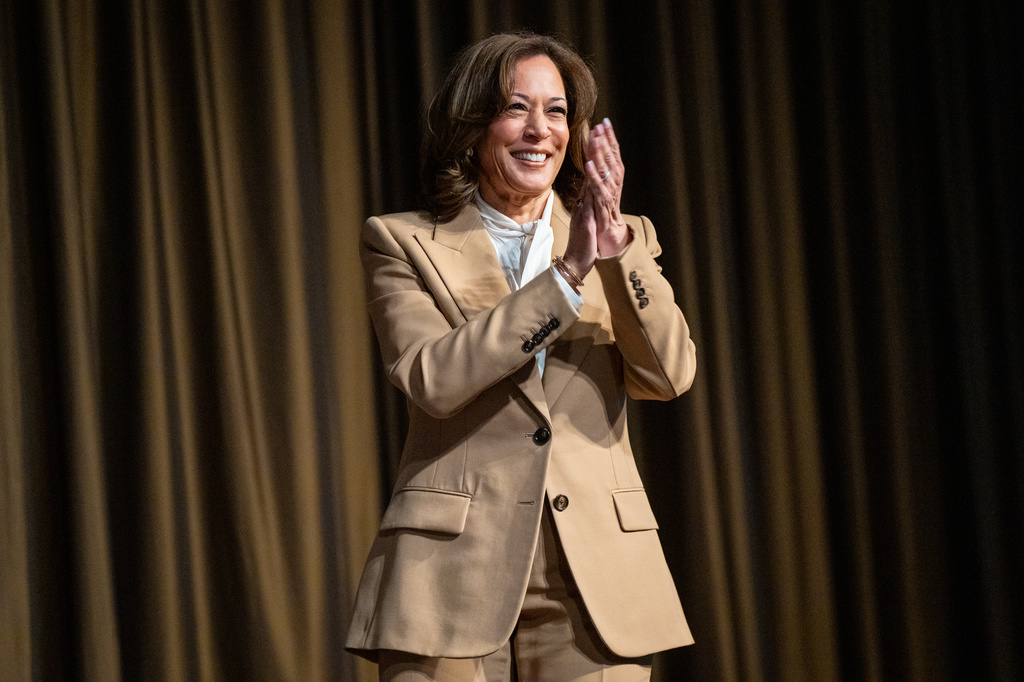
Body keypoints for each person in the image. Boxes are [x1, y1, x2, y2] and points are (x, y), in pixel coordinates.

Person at [346, 32, 697, 682]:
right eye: (516, 107)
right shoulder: (402, 242)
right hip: (449, 570)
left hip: (596, 573)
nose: (542, 129)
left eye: (557, 110)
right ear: (472, 127)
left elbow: (669, 374)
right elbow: (434, 376)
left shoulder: (623, 239)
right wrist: (566, 275)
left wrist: (614, 250)